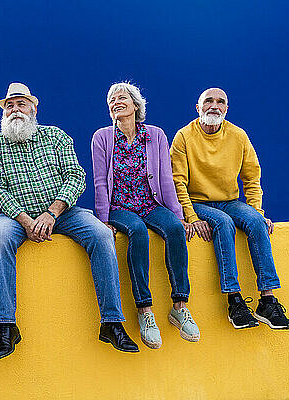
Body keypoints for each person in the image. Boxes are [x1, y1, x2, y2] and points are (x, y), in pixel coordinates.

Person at [0, 82, 138, 360]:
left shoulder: (55, 136)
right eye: (10, 105)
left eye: (21, 104)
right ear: (4, 112)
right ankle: (6, 325)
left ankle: (112, 322)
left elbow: (76, 176)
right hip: (16, 216)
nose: (15, 110)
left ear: (34, 107)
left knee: (101, 235)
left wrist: (51, 213)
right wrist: (26, 220)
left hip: (62, 213)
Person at [170, 87, 289, 330]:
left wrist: (257, 210)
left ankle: (267, 301)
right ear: (198, 108)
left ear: (227, 109)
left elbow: (252, 178)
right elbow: (177, 183)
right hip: (198, 202)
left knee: (257, 222)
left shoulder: (238, 136)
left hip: (229, 201)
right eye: (208, 101)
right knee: (224, 224)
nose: (214, 106)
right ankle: (234, 300)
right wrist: (192, 216)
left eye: (220, 102)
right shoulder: (184, 137)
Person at [91, 82, 200, 349]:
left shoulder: (156, 135)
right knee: (138, 232)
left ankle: (179, 306)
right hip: (120, 208)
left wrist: (178, 215)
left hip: (150, 203)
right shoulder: (102, 137)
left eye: (122, 97)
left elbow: (165, 178)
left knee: (174, 229)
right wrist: (104, 219)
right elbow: (100, 182)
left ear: (136, 105)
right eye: (112, 100)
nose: (116, 101)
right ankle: (145, 311)